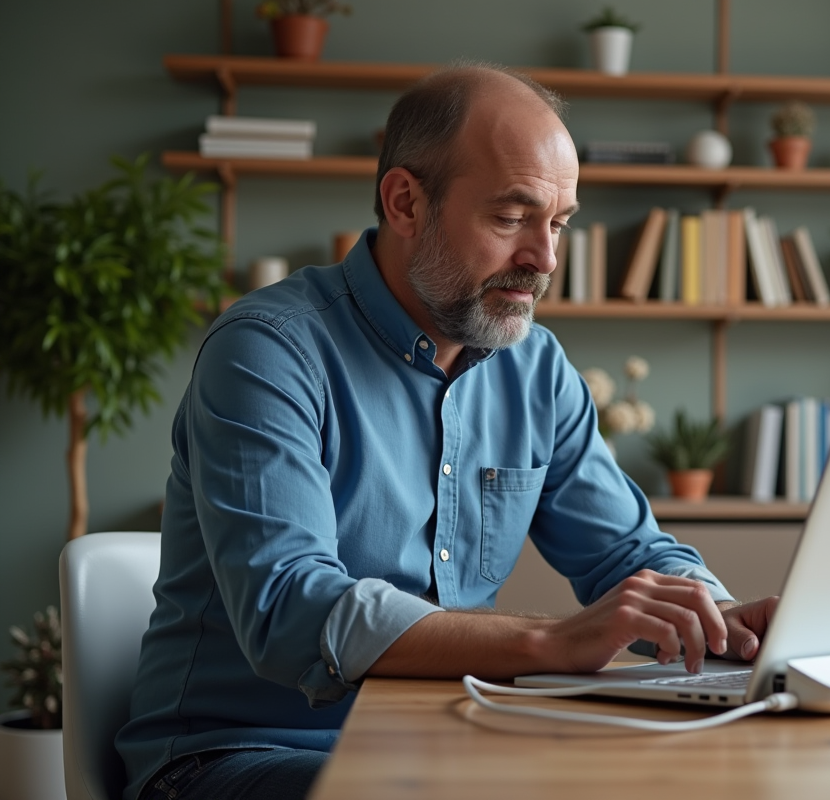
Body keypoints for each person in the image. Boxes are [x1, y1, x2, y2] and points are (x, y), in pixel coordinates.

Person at [116, 63, 777, 800]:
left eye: (558, 223)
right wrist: (554, 640)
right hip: (233, 755)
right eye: (511, 217)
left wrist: (720, 623)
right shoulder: (268, 352)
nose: (545, 259)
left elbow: (629, 553)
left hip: (442, 738)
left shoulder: (536, 369)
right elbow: (290, 611)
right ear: (405, 202)